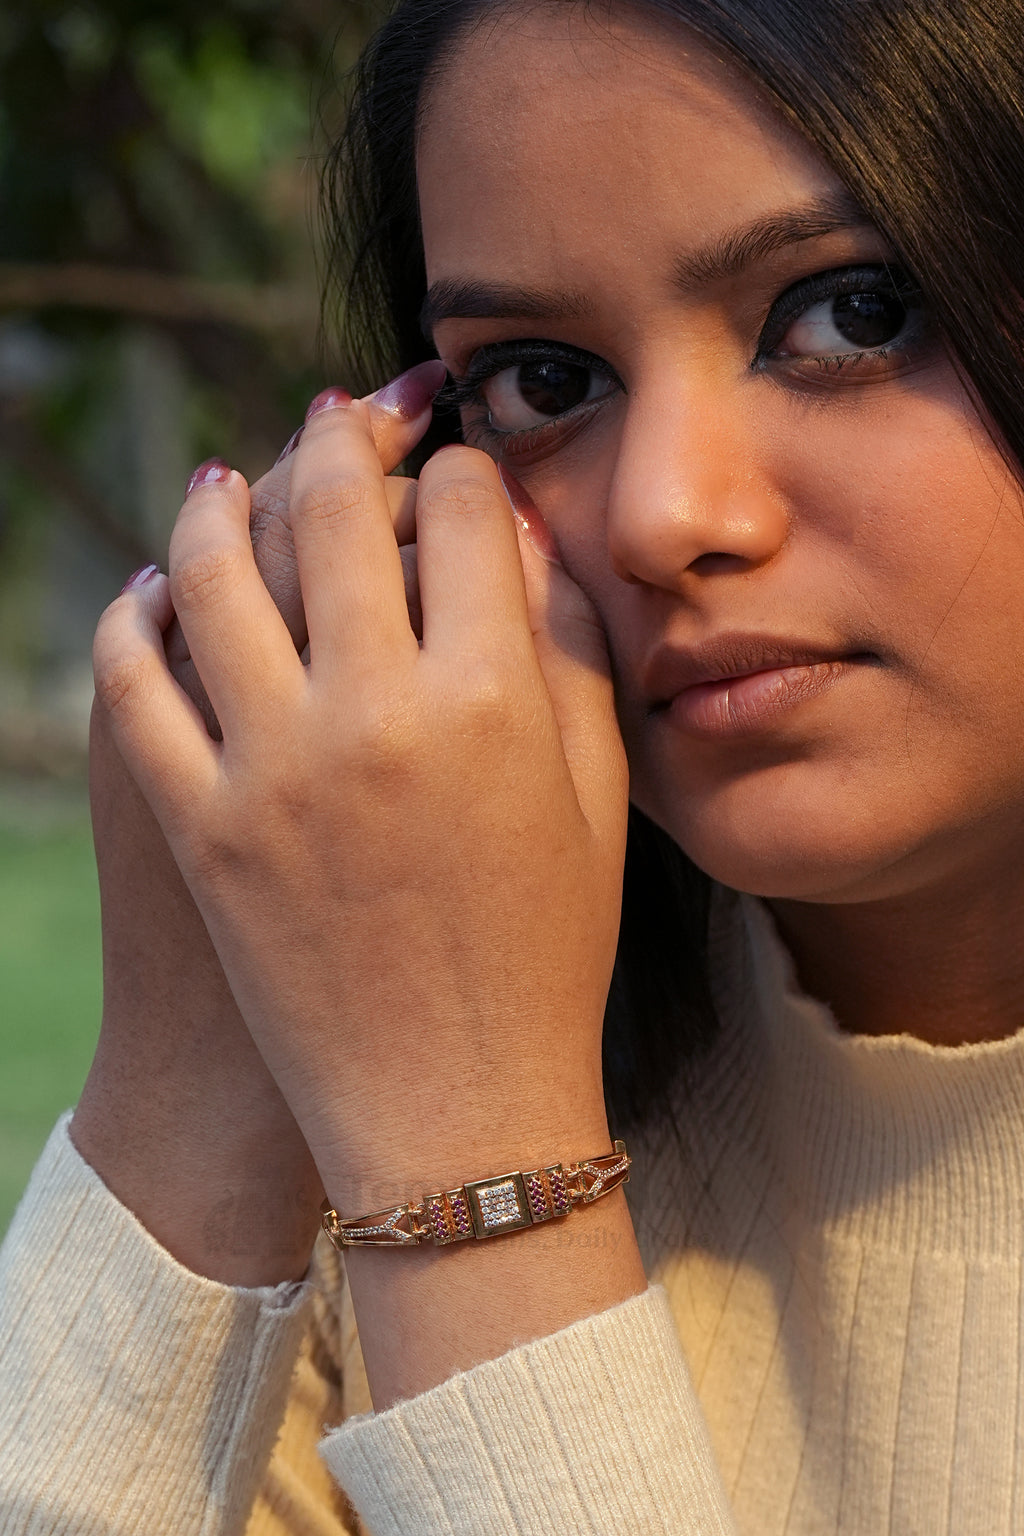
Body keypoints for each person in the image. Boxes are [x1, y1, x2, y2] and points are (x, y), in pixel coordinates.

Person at [3, 0, 1024, 1530]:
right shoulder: (390, 1090)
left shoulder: (431, 1129)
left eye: (852, 313)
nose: (664, 514)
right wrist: (185, 1088)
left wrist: (483, 1198)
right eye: (546, 382)